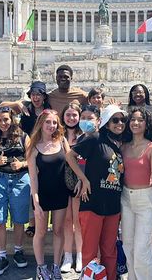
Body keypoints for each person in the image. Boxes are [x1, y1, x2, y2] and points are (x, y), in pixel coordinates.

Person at [65, 104, 127, 280]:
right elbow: (70, 156)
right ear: (107, 122)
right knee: (90, 252)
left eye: (123, 120)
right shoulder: (94, 138)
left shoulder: (118, 145)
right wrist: (83, 179)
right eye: (115, 120)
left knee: (110, 250)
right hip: (92, 203)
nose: (119, 123)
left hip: (113, 205)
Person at [0, 106, 30, 276]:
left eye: (6, 119)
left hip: (20, 179)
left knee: (19, 218)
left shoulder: (23, 136)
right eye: (0, 120)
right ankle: (2, 256)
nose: (3, 123)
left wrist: (22, 164)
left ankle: (18, 251)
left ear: (12, 119)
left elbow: (33, 160)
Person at [1, 81, 50, 238]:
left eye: (39, 94)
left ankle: (42, 220)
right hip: (27, 150)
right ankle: (32, 223)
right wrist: (16, 103)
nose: (36, 98)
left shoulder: (48, 111)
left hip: (45, 151)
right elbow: (1, 106)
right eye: (33, 94)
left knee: (42, 186)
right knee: (30, 187)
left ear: (44, 96)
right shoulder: (25, 107)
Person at [120, 107, 152, 280]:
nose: (136, 123)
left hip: (145, 199)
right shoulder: (123, 147)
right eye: (132, 119)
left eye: (140, 120)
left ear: (147, 124)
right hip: (126, 198)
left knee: (142, 250)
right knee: (128, 246)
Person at [26, 109, 71, 280]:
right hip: (42, 195)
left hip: (61, 193)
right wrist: (36, 203)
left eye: (54, 122)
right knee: (41, 232)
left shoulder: (62, 141)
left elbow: (71, 164)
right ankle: (41, 267)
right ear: (41, 124)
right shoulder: (34, 147)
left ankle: (56, 266)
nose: (51, 126)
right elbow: (33, 179)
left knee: (58, 231)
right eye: (48, 122)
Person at [60, 103, 84, 273]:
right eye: (68, 115)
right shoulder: (56, 135)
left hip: (79, 182)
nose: (71, 118)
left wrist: (82, 179)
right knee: (66, 221)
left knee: (78, 221)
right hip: (60, 181)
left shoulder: (84, 136)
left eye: (74, 115)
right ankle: (67, 256)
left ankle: (80, 255)